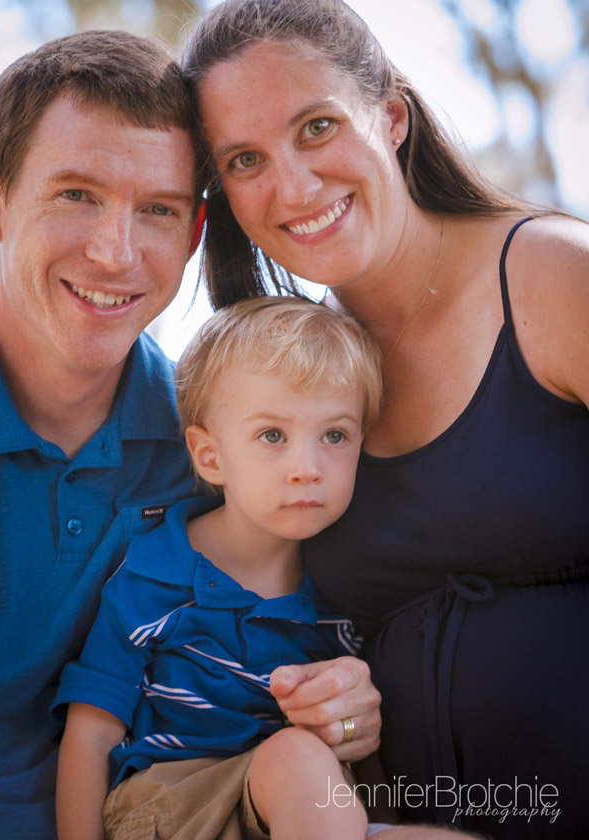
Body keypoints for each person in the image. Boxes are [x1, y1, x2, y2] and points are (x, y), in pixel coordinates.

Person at [182, 1, 589, 838]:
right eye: (246, 159)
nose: (293, 186)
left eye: (318, 126)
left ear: (392, 117)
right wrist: (337, 696)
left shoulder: (552, 281)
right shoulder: (281, 389)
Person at [0, 29, 381, 840]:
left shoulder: (217, 450)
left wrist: (344, 707)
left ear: (196, 233)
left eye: (158, 210)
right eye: (76, 194)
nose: (114, 252)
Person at [53, 295, 397, 840]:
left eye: (334, 435)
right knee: (298, 760)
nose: (307, 469)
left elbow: (354, 745)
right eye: (272, 436)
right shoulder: (155, 574)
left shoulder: (347, 594)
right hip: (170, 806)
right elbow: (91, 734)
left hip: (296, 814)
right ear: (210, 456)